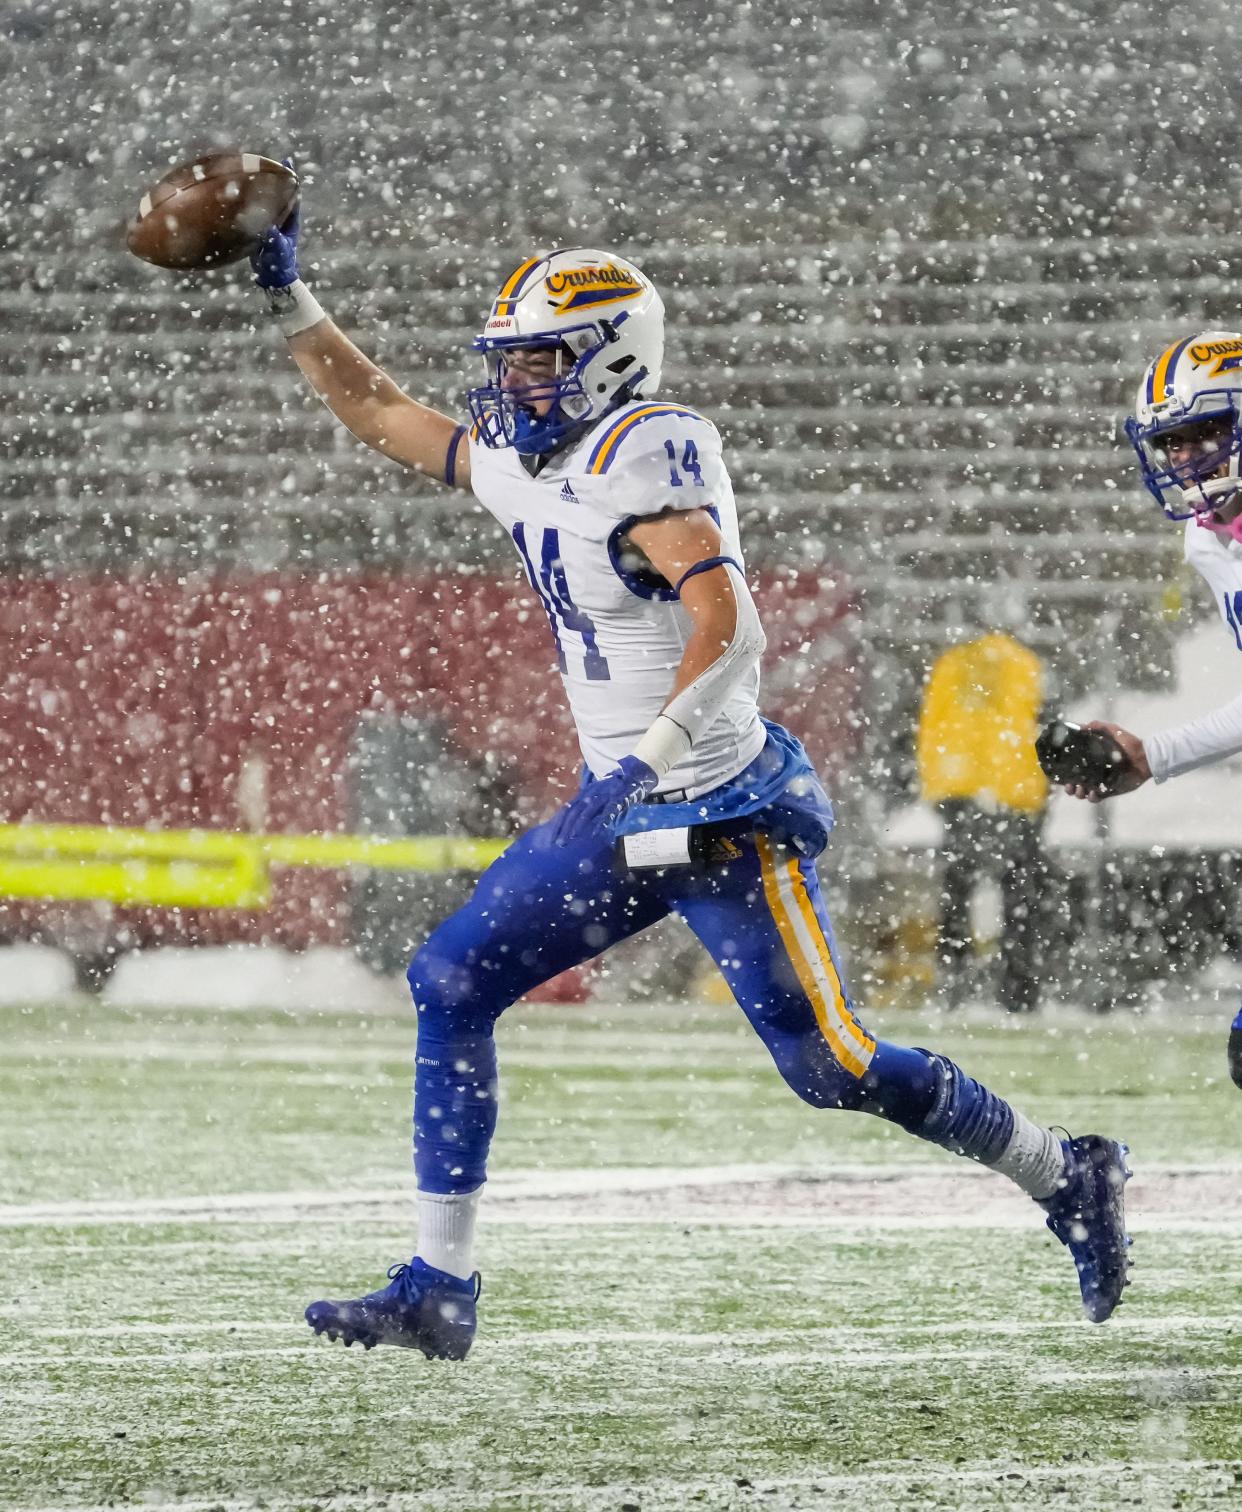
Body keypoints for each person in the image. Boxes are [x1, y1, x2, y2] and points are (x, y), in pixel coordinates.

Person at [243, 188, 1131, 1358]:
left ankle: (1064, 1169)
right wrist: (286, 292)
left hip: (719, 811)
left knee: (835, 1067)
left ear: (611, 361)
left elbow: (733, 626)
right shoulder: (527, 463)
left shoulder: (647, 452)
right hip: (619, 812)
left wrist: (649, 761)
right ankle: (439, 1285)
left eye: (540, 363)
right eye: (508, 364)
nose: (514, 387)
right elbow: (374, 405)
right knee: (451, 983)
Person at [1068, 328, 1242, 1091]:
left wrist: (1158, 754)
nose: (1183, 459)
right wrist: (1149, 756)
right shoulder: (1212, 542)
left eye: (1203, 434)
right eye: (1172, 442)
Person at [917, 632, 1049, 1012]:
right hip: (1013, 791)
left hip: (960, 786)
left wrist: (937, 784)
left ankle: (954, 982)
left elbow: (933, 725)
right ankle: (1019, 991)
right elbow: (1035, 724)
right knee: (1018, 892)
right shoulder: (1024, 664)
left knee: (959, 887)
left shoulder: (952, 664)